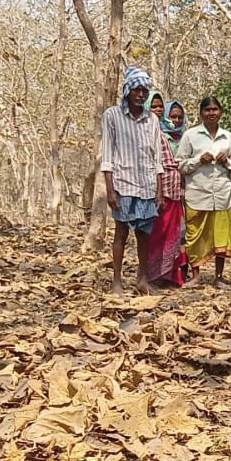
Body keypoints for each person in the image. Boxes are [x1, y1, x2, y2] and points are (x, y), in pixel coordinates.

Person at [100, 67, 164, 295]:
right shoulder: (112, 116)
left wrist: (159, 190)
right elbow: (107, 155)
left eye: (144, 91)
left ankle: (142, 279)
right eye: (136, 90)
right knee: (121, 233)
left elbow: (158, 157)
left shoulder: (152, 120)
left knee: (144, 235)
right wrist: (110, 190)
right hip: (123, 183)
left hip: (147, 185)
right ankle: (117, 281)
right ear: (128, 91)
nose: (141, 95)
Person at [177, 96, 231, 287]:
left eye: (215, 109)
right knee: (195, 235)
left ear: (221, 112)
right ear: (201, 113)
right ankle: (196, 277)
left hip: (221, 194)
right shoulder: (191, 135)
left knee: (221, 236)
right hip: (198, 193)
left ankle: (218, 277)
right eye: (207, 110)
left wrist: (226, 161)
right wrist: (198, 160)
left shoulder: (227, 137)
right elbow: (179, 164)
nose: (211, 113)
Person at [146, 98, 188, 287]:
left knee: (177, 234)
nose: (176, 120)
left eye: (160, 106)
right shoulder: (152, 132)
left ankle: (172, 274)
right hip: (160, 189)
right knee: (158, 232)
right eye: (153, 106)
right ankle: (154, 274)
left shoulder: (184, 137)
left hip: (178, 190)